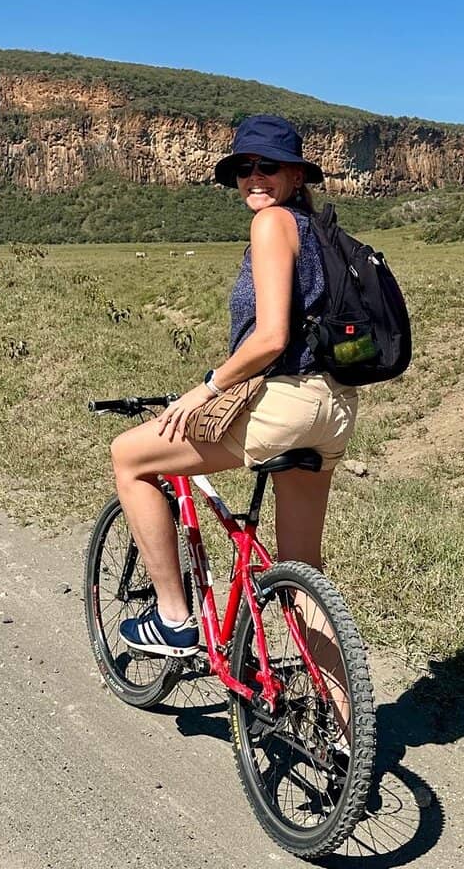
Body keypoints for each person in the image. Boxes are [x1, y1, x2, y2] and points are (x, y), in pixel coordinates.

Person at [112, 114, 358, 657]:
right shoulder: (320, 232)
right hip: (333, 407)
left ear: (296, 176)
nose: (255, 177)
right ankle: (345, 733)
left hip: (284, 406)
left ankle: (174, 619)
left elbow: (270, 338)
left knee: (129, 456)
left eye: (268, 166)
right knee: (302, 571)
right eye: (244, 168)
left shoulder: (272, 225)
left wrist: (205, 388)